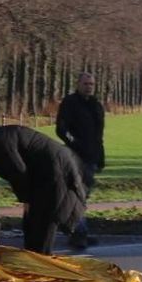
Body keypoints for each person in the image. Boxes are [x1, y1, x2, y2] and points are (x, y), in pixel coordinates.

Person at [0, 110, 87, 256]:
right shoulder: (0, 136)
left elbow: (18, 172)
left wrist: (26, 199)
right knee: (35, 223)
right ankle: (35, 258)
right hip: (51, 171)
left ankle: (40, 262)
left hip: (53, 174)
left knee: (42, 223)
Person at [55, 71, 105, 249]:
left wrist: (101, 156)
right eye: (85, 84)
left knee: (84, 196)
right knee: (77, 194)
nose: (89, 87)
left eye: (91, 84)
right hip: (74, 157)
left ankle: (79, 231)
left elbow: (99, 135)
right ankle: (78, 232)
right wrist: (74, 143)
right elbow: (61, 129)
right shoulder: (69, 103)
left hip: (91, 158)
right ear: (78, 84)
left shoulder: (96, 106)